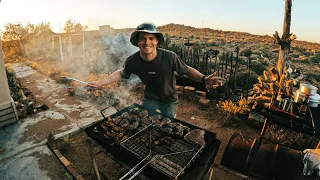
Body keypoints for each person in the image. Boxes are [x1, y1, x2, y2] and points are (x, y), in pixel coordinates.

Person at [91, 22, 225, 118]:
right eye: (142, 39)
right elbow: (120, 73)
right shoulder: (132, 60)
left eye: (151, 38)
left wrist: (204, 79)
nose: (146, 42)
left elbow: (187, 70)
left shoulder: (169, 57)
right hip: (149, 99)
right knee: (146, 123)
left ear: (157, 42)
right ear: (137, 42)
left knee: (168, 125)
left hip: (169, 99)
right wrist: (100, 82)